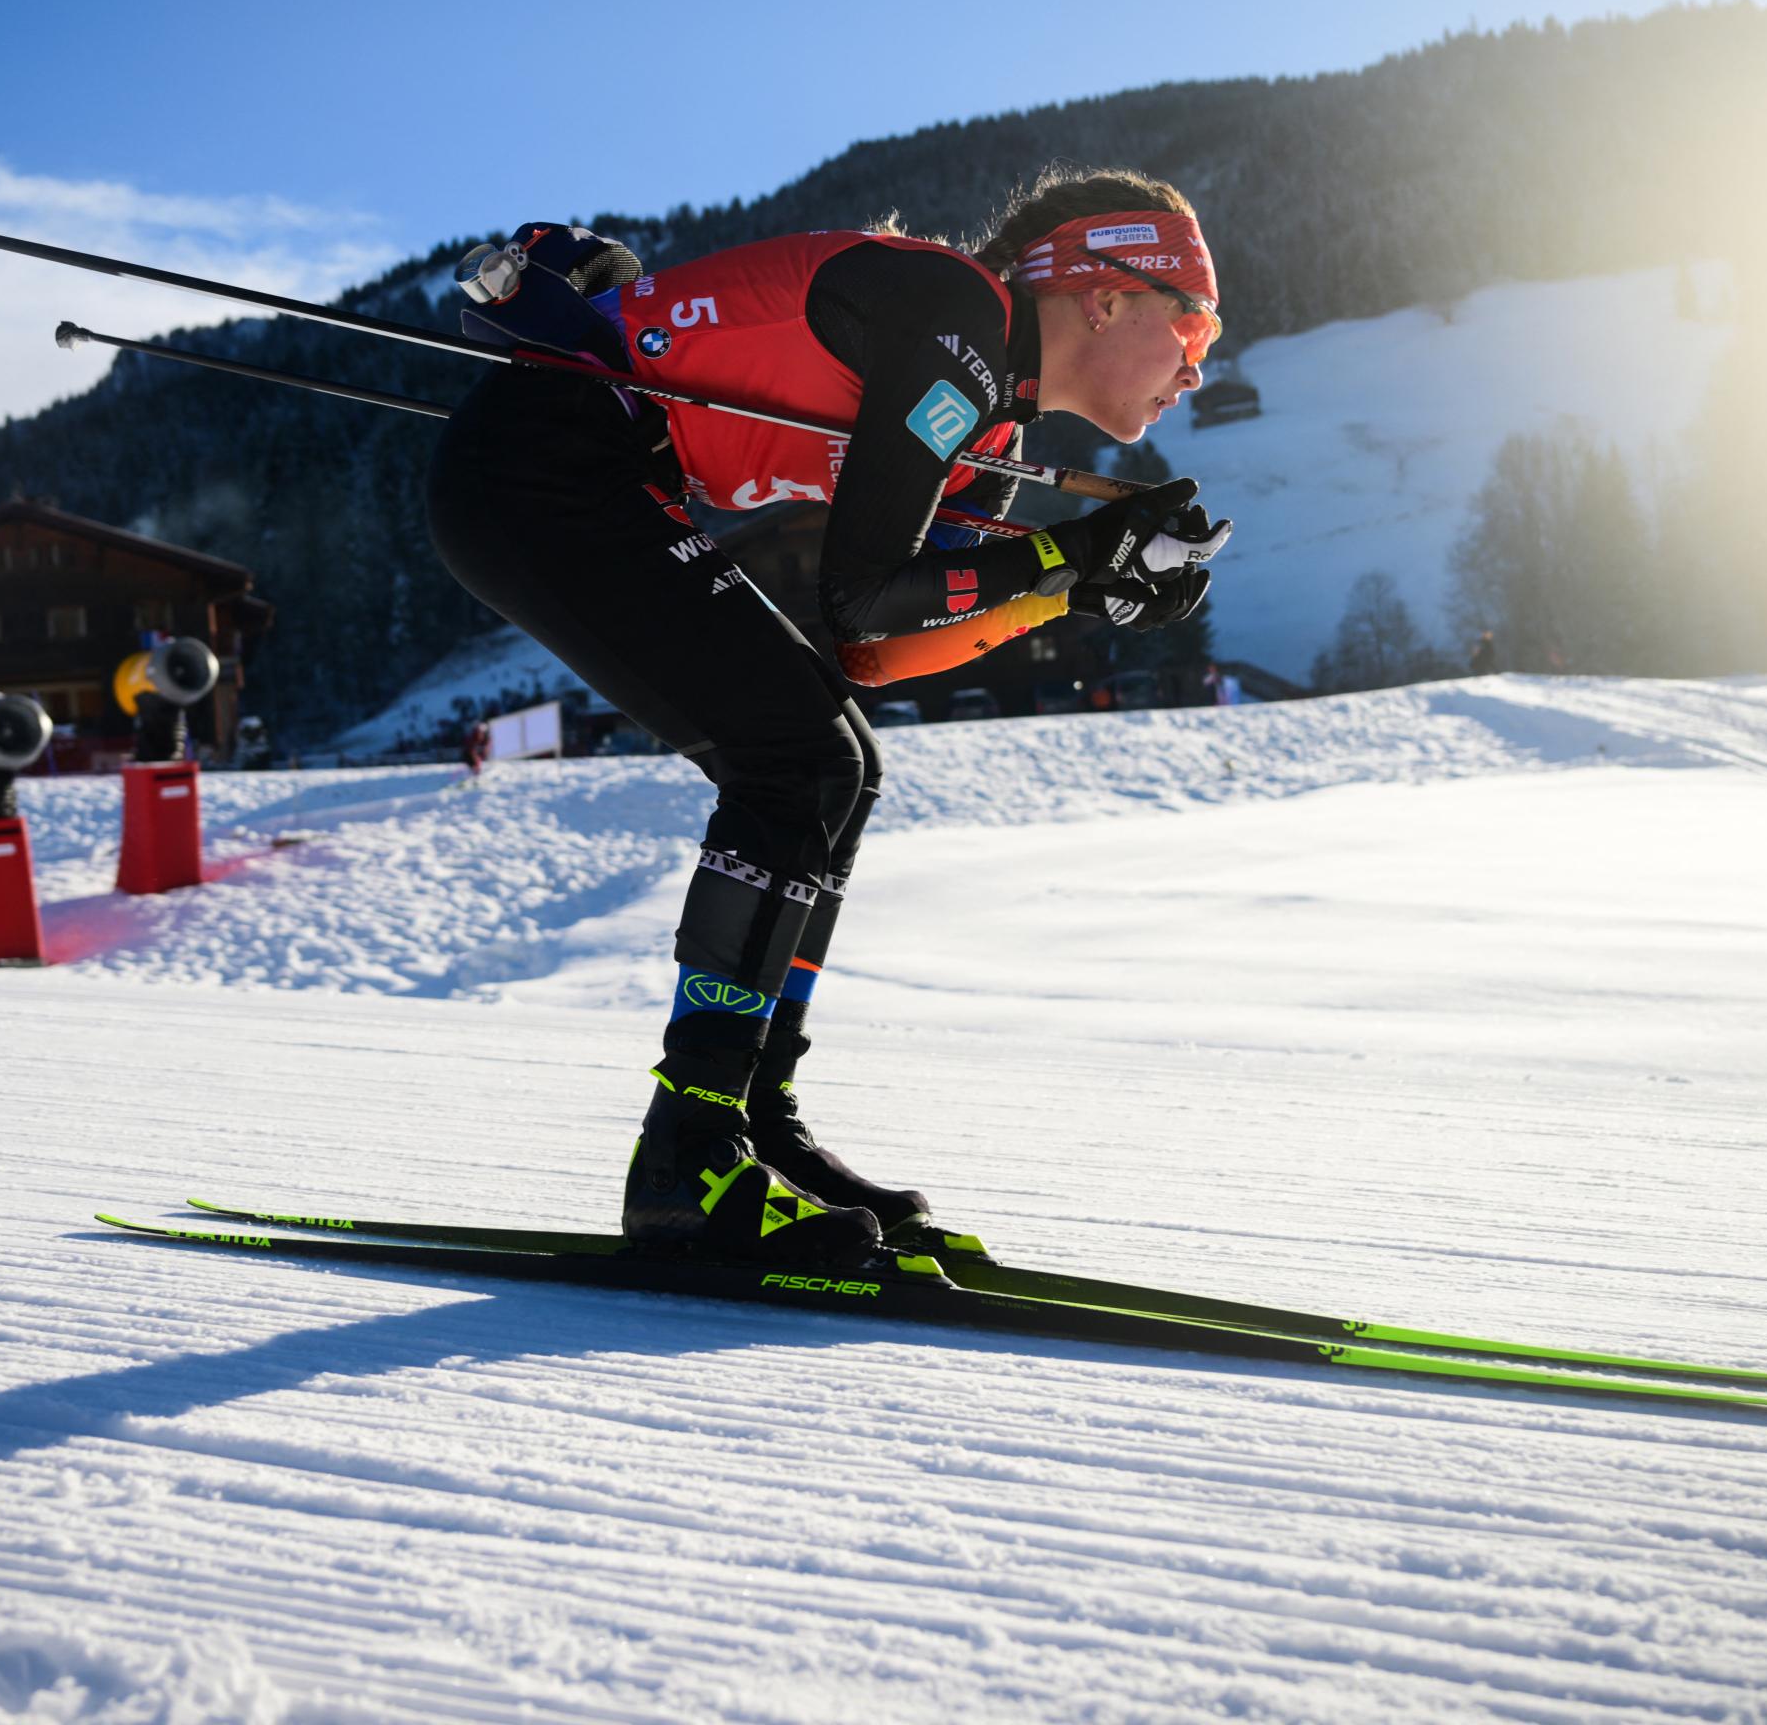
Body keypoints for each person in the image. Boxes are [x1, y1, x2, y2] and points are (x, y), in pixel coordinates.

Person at [426, 169, 1232, 1278]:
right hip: (545, 464)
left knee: (840, 760)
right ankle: (688, 1149)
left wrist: (1071, 589)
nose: (1201, 361)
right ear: (1102, 297)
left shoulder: (985, 419)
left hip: (595, 475)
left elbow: (878, 651)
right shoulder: (956, 322)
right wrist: (1073, 552)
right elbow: (864, 595)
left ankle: (749, 1116)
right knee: (795, 758)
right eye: (1194, 318)